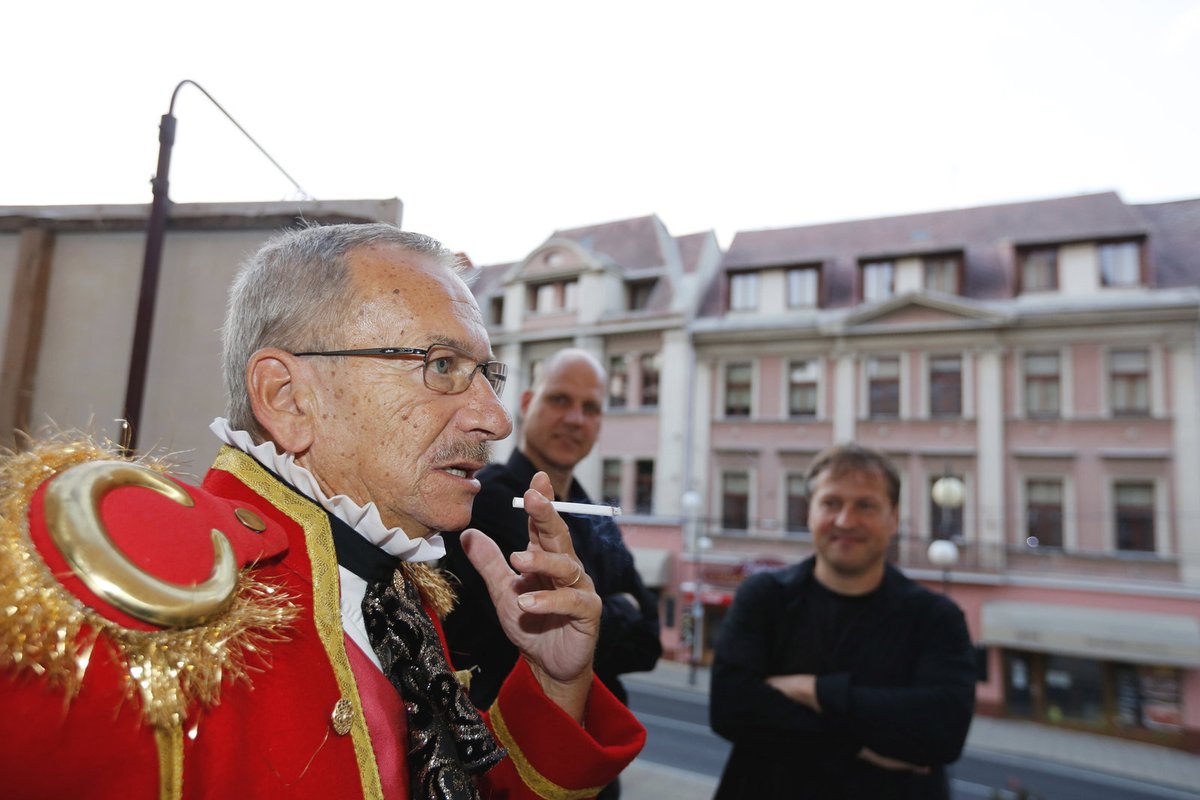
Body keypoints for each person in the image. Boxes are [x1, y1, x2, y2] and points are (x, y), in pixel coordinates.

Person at [0, 224, 645, 799]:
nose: (494, 419)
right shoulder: (142, 592)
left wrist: (555, 681)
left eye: (486, 375)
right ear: (287, 397)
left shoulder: (396, 593)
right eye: (441, 365)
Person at [440, 349, 662, 800]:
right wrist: (615, 607)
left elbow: (649, 640)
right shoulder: (489, 501)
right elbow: (551, 624)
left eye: (591, 408)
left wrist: (600, 611)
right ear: (525, 404)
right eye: (560, 400)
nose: (575, 419)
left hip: (589, 770)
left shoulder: (594, 511)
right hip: (508, 763)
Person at [709, 443, 976, 799]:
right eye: (831, 503)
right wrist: (858, 746)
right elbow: (731, 709)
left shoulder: (935, 618)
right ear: (810, 512)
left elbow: (942, 732)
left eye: (865, 505)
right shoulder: (764, 597)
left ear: (894, 518)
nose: (846, 521)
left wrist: (813, 691)